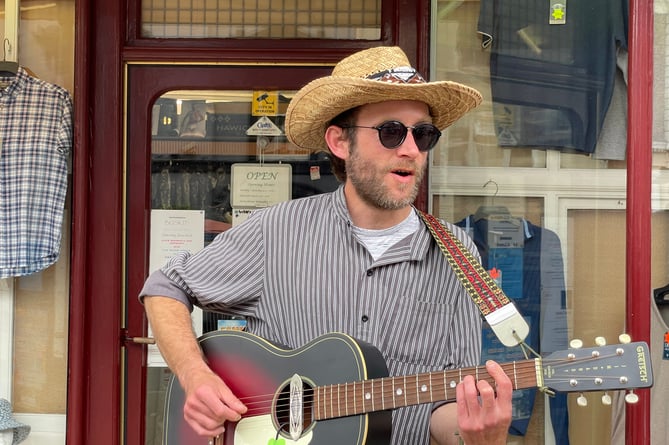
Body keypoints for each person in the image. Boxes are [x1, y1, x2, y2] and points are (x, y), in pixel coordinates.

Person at [140, 46, 512, 445]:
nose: (410, 150)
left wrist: (478, 435)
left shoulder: (458, 254)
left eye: (422, 134)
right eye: (390, 132)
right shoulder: (277, 231)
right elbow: (165, 288)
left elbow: (446, 407)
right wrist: (196, 376)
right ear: (339, 141)